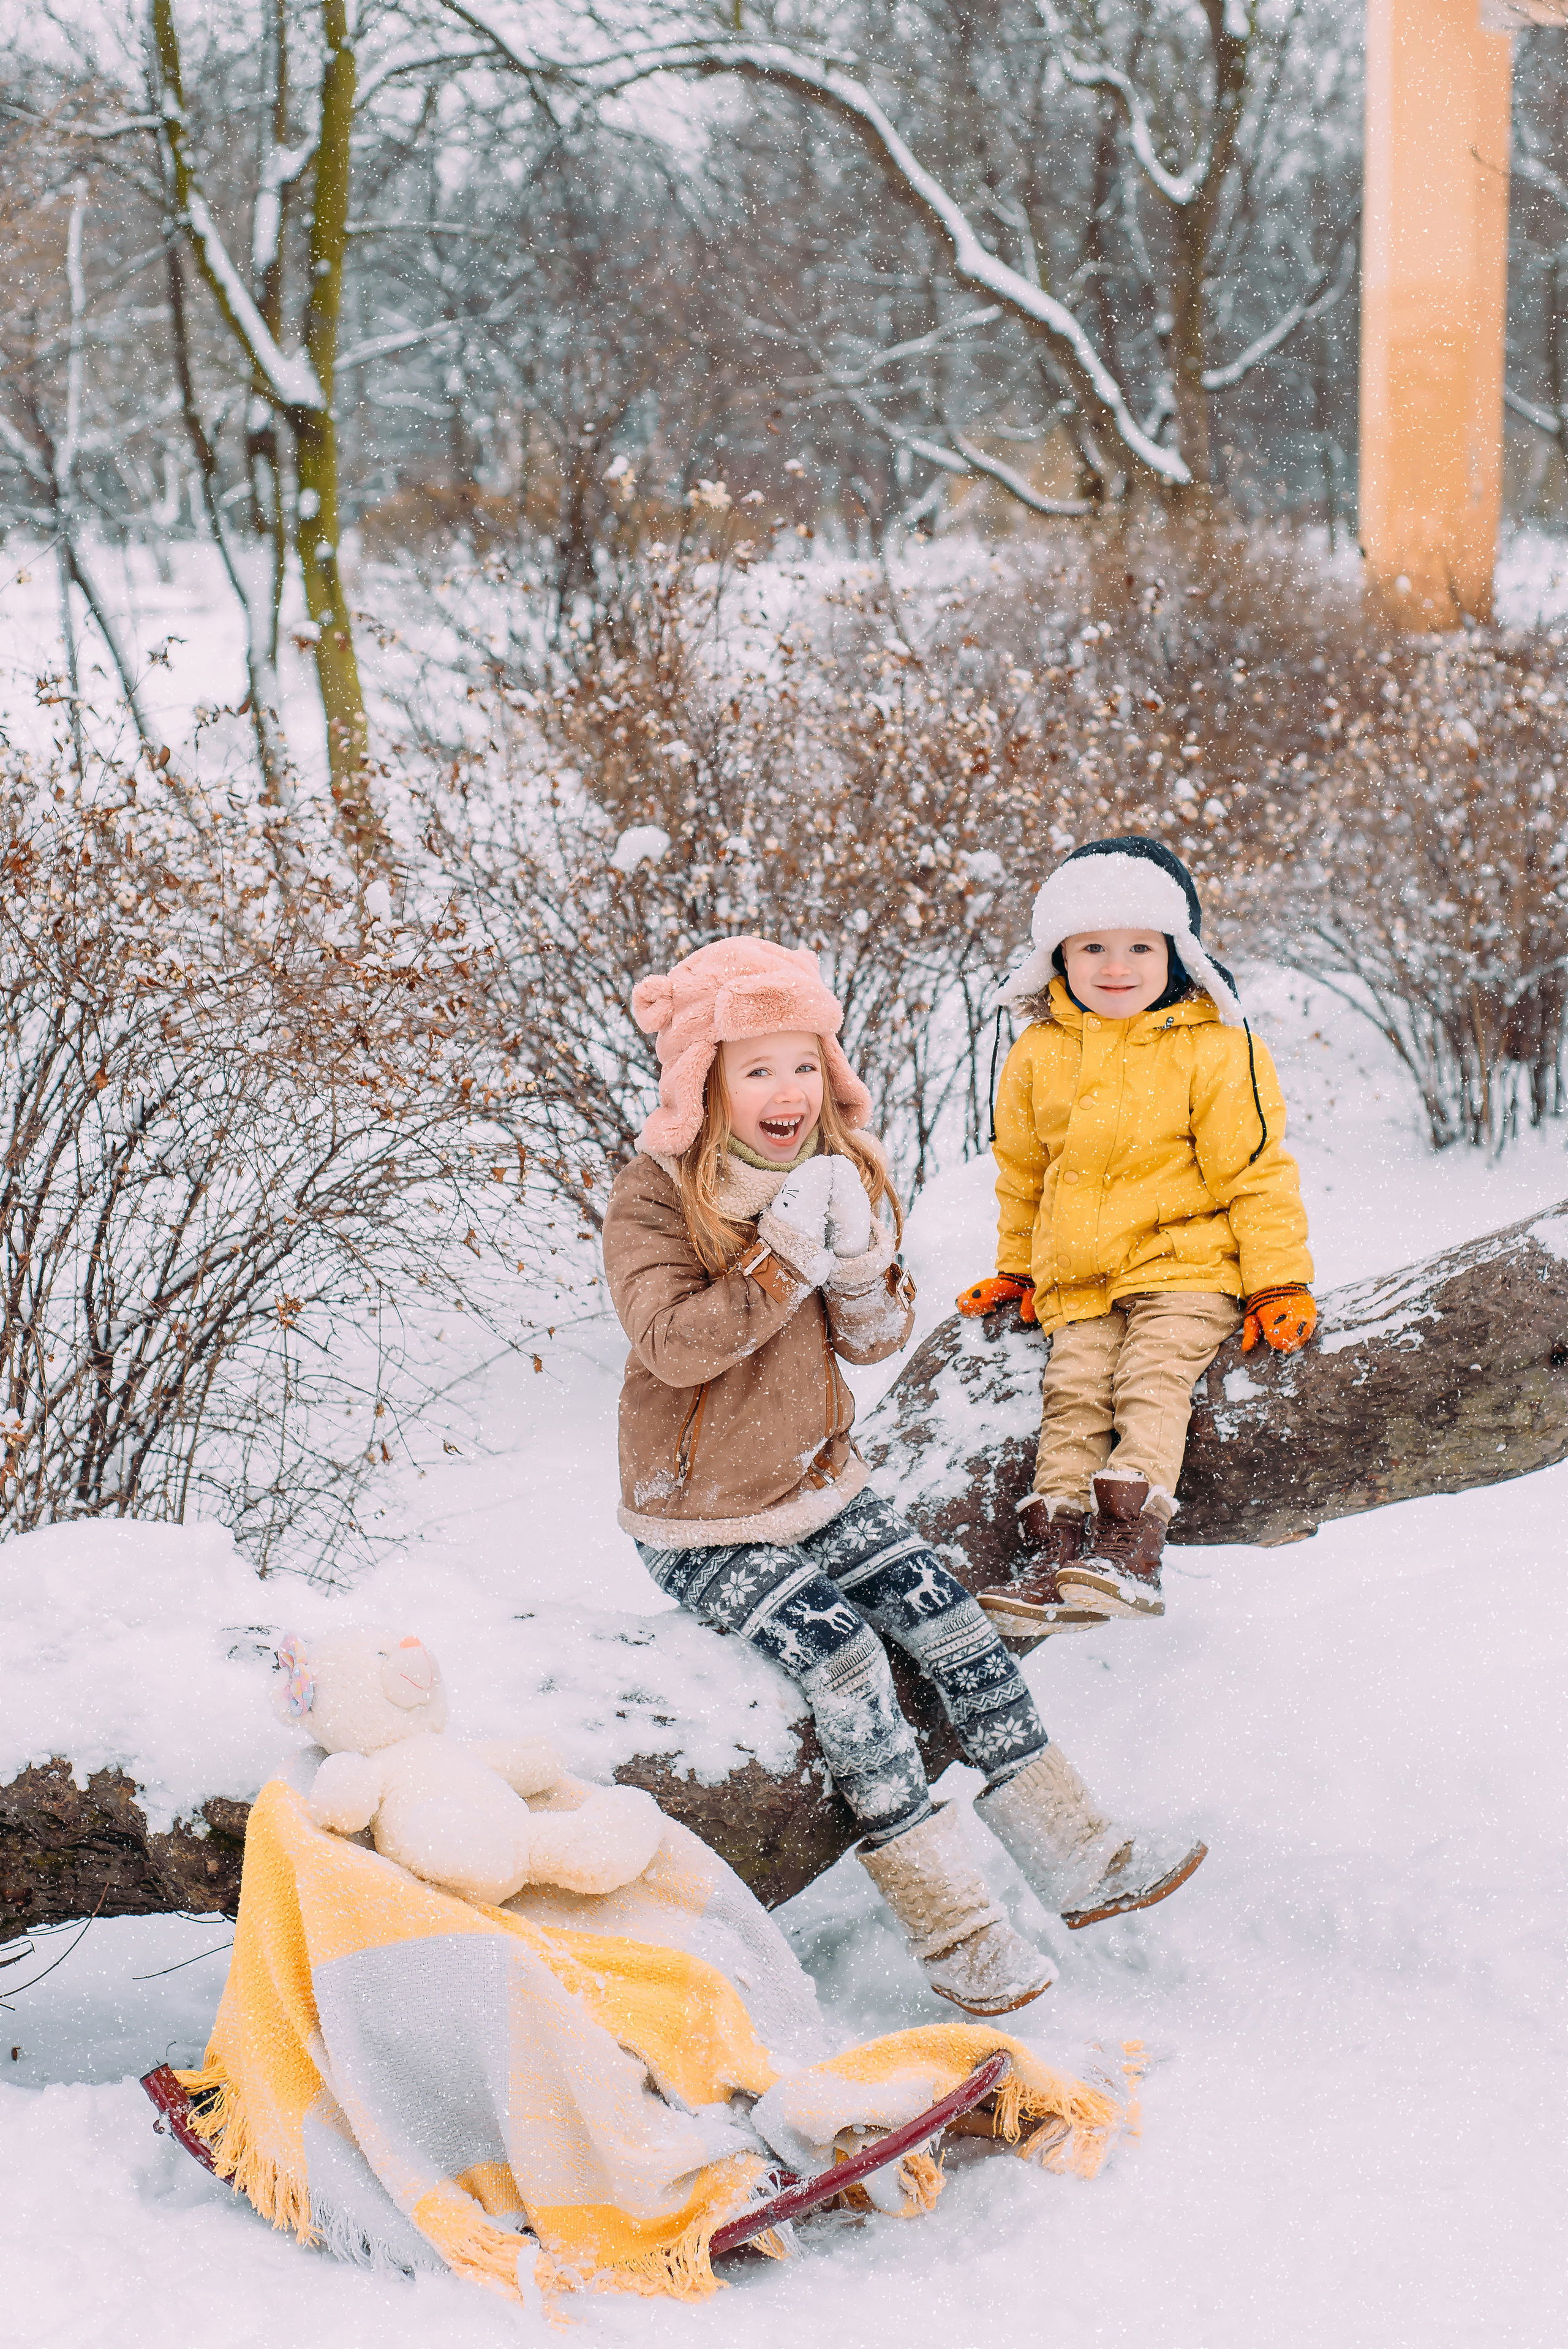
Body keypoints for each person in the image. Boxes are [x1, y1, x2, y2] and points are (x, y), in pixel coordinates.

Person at [603, 935, 1206, 2021]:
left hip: (820, 1483)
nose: (787, 1091)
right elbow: (673, 1347)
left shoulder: (840, 1167)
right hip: (699, 1521)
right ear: (707, 1080)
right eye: (758, 1069)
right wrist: (782, 1254)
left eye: (803, 1064)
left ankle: (1081, 1854)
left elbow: (875, 1338)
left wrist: (865, 1260)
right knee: (842, 1658)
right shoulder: (654, 1198)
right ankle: (957, 1930)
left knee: (952, 1619)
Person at [957, 836, 1315, 1639]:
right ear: (1060, 955)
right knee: (1073, 1397)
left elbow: (1254, 1171)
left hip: (1187, 1267)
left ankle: (1129, 1544)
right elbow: (1023, 1174)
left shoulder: (1216, 1047)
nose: (1115, 965)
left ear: (1176, 953)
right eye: (1092, 947)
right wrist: (1019, 1269)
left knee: (1151, 1383)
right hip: (1080, 1280)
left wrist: (1277, 1280)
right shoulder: (1038, 1053)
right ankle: (1058, 1553)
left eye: (1138, 947)